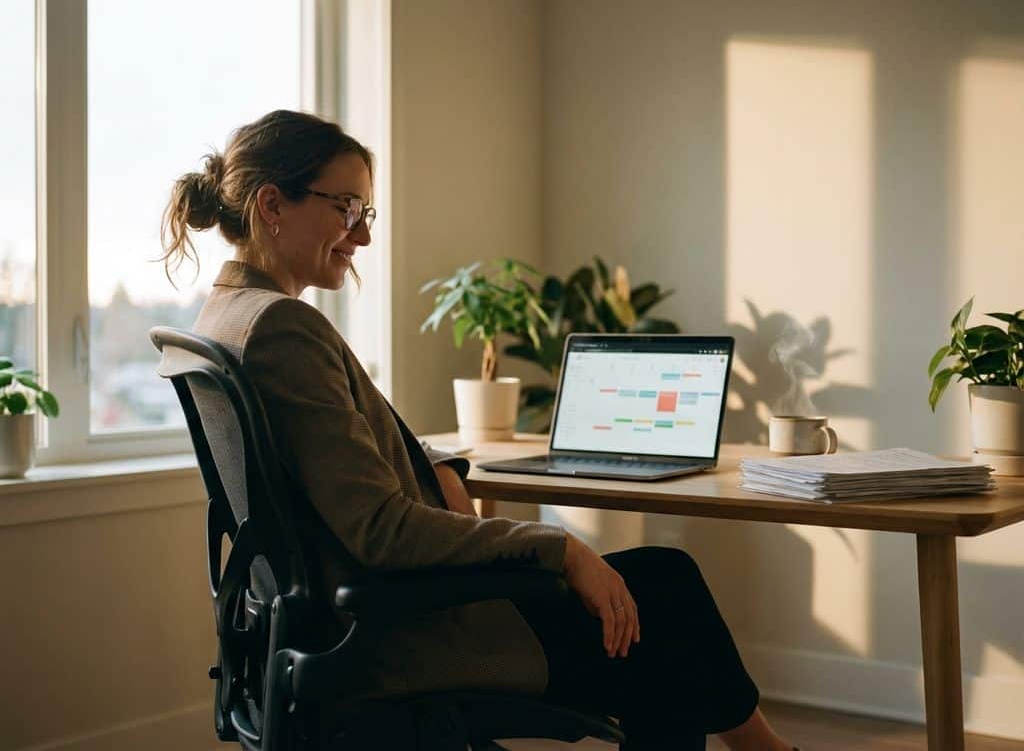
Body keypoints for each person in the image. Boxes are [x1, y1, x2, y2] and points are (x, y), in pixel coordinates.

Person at [160, 109, 797, 751]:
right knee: (663, 602)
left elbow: (354, 446)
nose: (362, 237)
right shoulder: (283, 330)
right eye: (347, 209)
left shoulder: (227, 320)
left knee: (658, 595)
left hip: (328, 623)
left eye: (366, 215)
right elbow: (381, 531)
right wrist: (561, 548)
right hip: (399, 634)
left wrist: (437, 465)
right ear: (273, 204)